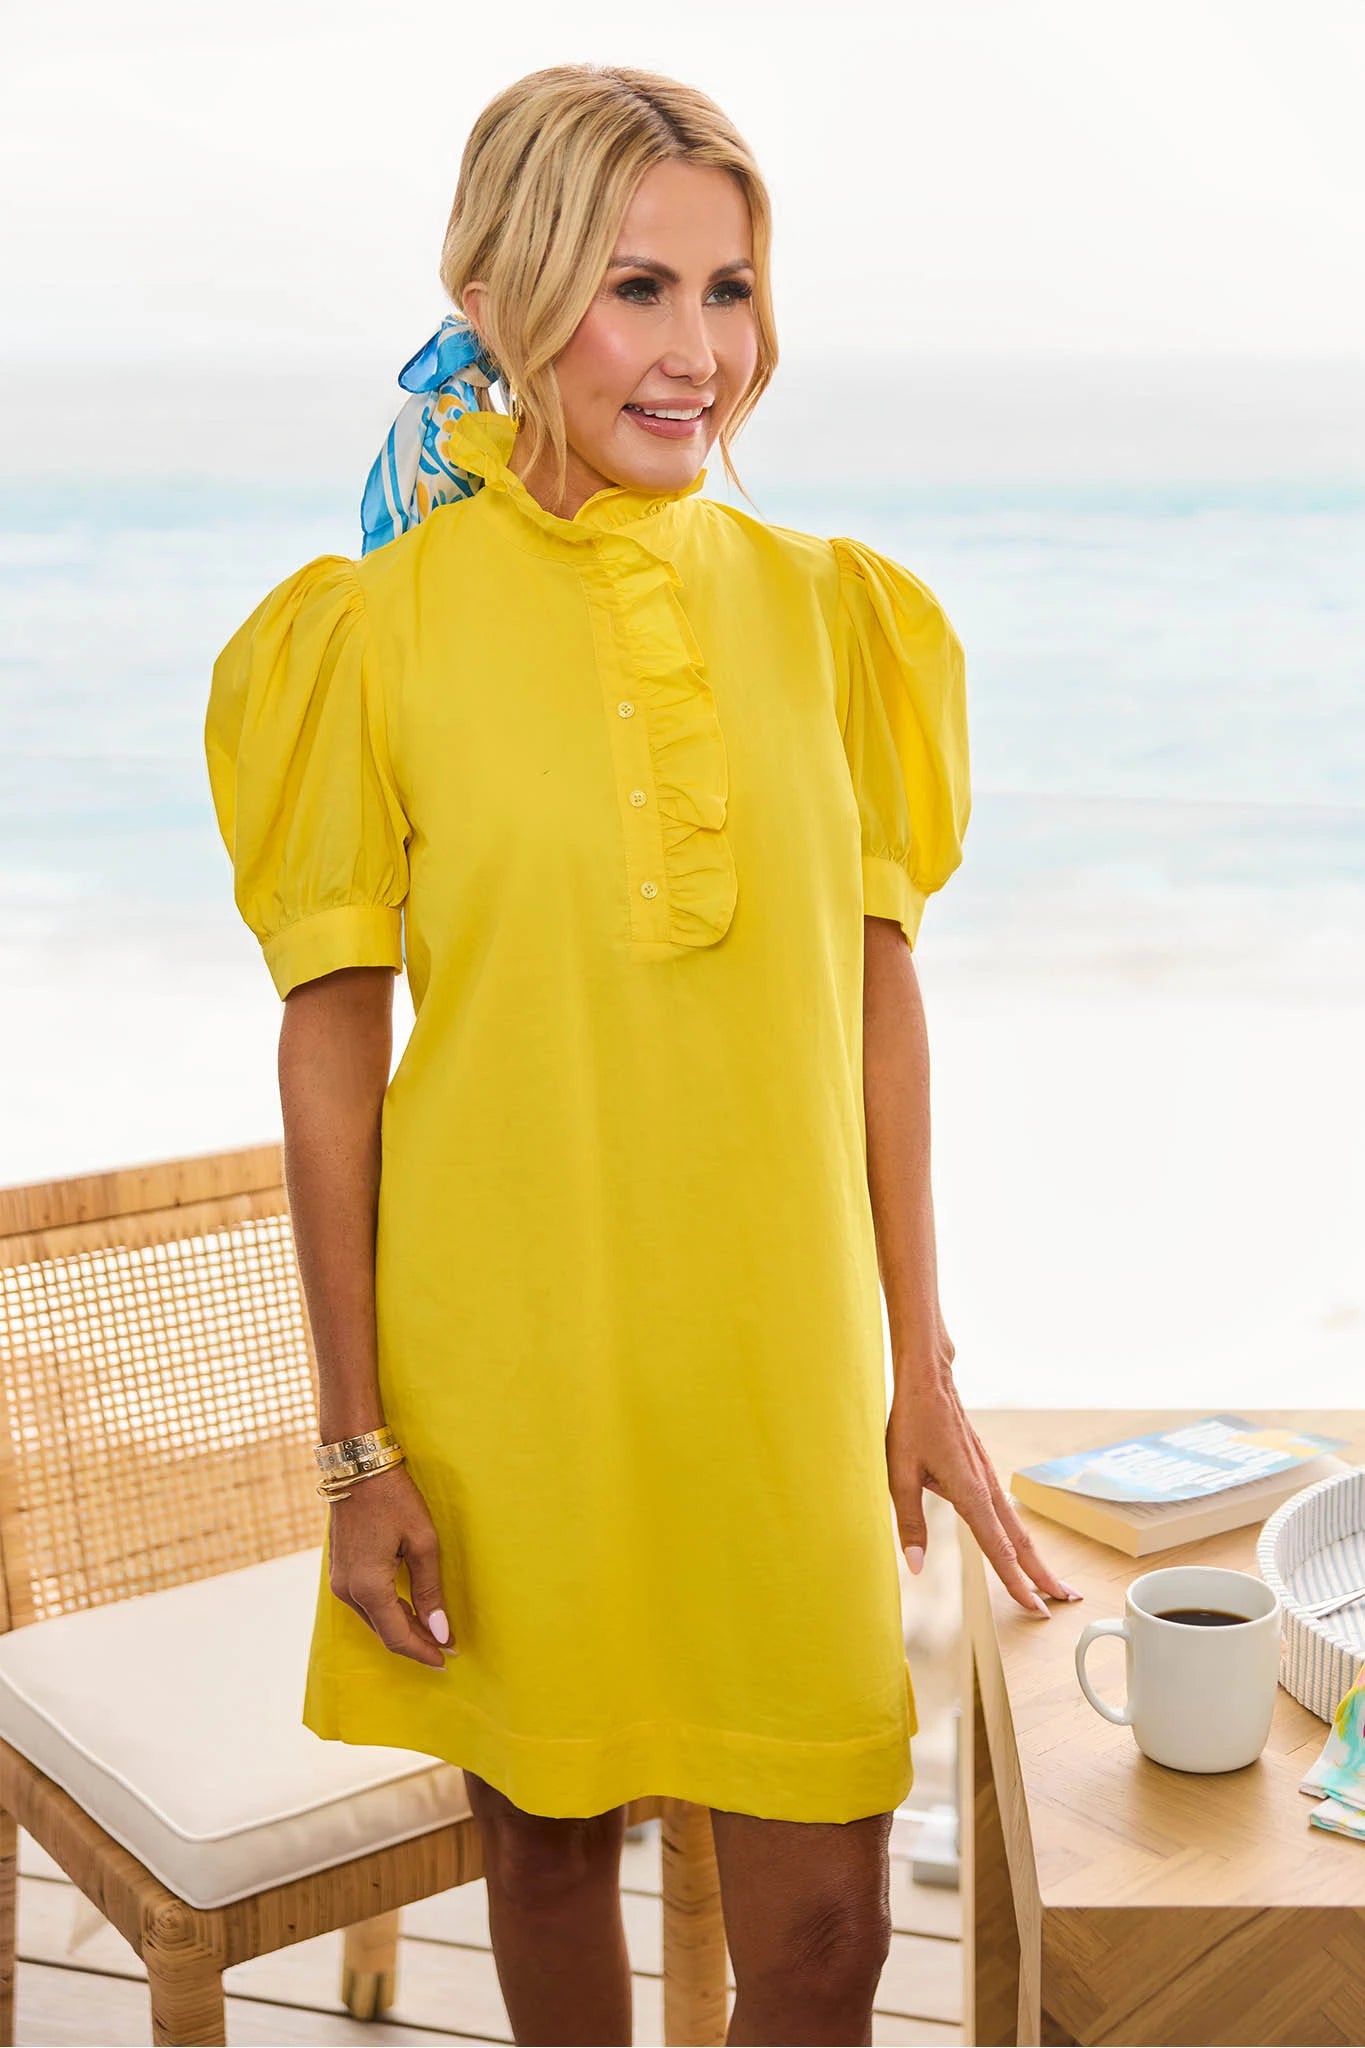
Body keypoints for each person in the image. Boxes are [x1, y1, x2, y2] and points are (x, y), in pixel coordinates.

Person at [204, 61, 1079, 2048]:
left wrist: (916, 1365)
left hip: (770, 1375)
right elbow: (331, 1063)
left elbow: (875, 998)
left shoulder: (831, 617)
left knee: (828, 1931)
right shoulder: (373, 638)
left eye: (731, 291)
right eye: (638, 290)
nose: (696, 354)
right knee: (541, 1858)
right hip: (508, 1377)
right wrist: (355, 1447)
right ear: (507, 295)